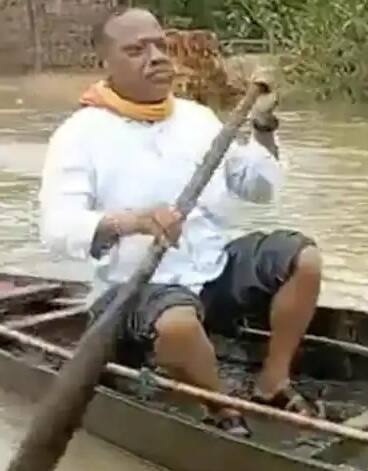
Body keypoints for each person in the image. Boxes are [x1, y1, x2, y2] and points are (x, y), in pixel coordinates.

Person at [38, 6, 323, 437]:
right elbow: (57, 229)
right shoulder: (80, 134)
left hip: (210, 269)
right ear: (105, 64)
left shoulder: (196, 118)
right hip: (133, 290)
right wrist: (132, 222)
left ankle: (272, 382)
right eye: (136, 50)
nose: (156, 57)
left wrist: (263, 126)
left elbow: (258, 189)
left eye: (160, 45)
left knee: (302, 257)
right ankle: (220, 412)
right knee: (177, 323)